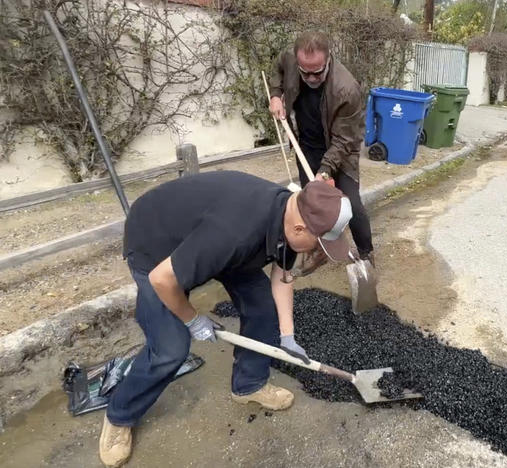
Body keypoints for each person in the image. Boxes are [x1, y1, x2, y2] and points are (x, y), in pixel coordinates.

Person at [99, 171, 352, 467]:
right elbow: (163, 279)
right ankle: (120, 415)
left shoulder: (288, 215)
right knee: (170, 347)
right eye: (318, 244)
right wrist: (192, 319)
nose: (318, 251)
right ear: (298, 229)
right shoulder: (235, 233)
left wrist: (287, 335)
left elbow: (283, 277)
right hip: (156, 245)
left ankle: (249, 385)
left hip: (211, 241)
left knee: (262, 309)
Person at [268, 30, 374, 274]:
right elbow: (279, 70)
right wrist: (276, 95)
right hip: (306, 144)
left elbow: (346, 139)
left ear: (328, 59)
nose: (311, 77)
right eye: (305, 72)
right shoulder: (291, 59)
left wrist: (325, 171)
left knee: (351, 204)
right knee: (311, 204)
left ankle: (366, 255)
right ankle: (318, 251)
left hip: (340, 147)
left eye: (318, 71)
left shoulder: (347, 89)